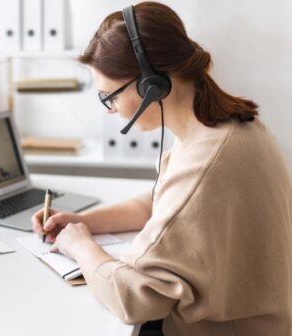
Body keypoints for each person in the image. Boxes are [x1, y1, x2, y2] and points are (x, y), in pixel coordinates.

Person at [32, 2, 292, 336]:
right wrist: (83, 223)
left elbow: (132, 299)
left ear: (151, 86)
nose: (110, 109)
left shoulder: (207, 162)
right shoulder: (226, 127)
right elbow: (161, 201)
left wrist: (80, 247)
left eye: (109, 95)